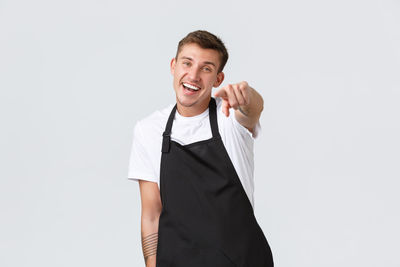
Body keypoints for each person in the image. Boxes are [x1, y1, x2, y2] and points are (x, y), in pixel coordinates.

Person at [127, 30, 274, 267]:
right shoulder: (148, 130)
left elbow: (253, 110)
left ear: (218, 79)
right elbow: (151, 214)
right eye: (187, 63)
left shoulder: (229, 118)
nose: (193, 75)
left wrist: (246, 96)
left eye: (206, 68)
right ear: (174, 66)